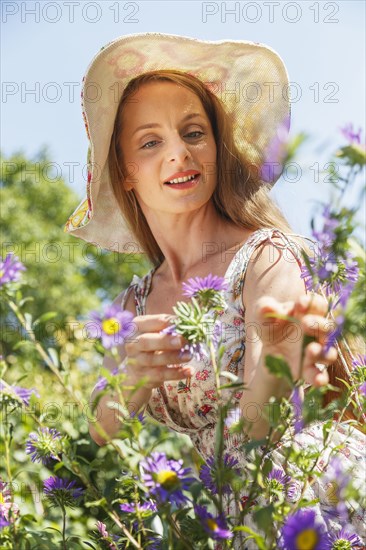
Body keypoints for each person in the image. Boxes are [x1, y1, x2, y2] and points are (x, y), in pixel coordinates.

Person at [64, 34, 365, 546]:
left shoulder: (266, 256)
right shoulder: (131, 306)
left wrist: (279, 349)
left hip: (316, 498)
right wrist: (129, 384)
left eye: (194, 132)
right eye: (151, 141)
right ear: (126, 172)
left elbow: (261, 422)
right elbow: (92, 439)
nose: (180, 152)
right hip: (234, 511)